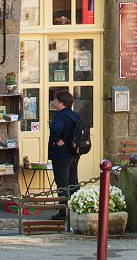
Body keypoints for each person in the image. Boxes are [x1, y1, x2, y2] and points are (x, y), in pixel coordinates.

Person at [49, 89, 81, 219]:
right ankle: (76, 210)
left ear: (61, 103)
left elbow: (55, 128)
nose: (54, 103)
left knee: (62, 183)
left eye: (55, 101)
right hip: (74, 153)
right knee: (73, 181)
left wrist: (57, 140)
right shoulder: (75, 115)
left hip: (61, 155)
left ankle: (63, 213)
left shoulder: (59, 116)